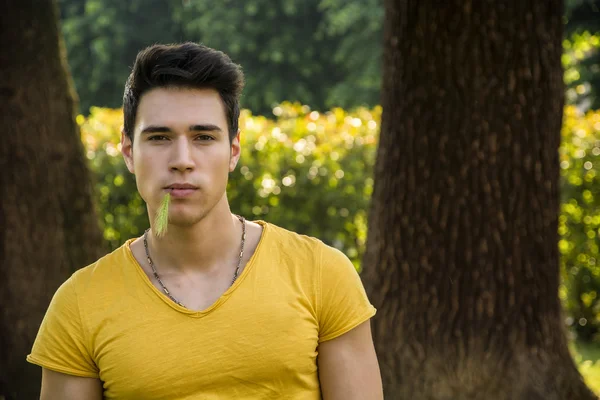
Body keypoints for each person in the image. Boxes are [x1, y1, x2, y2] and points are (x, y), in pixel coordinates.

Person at [27, 42, 383, 399]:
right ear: (129, 151)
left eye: (203, 137)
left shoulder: (321, 274)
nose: (182, 159)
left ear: (233, 151)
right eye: (160, 137)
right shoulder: (79, 304)